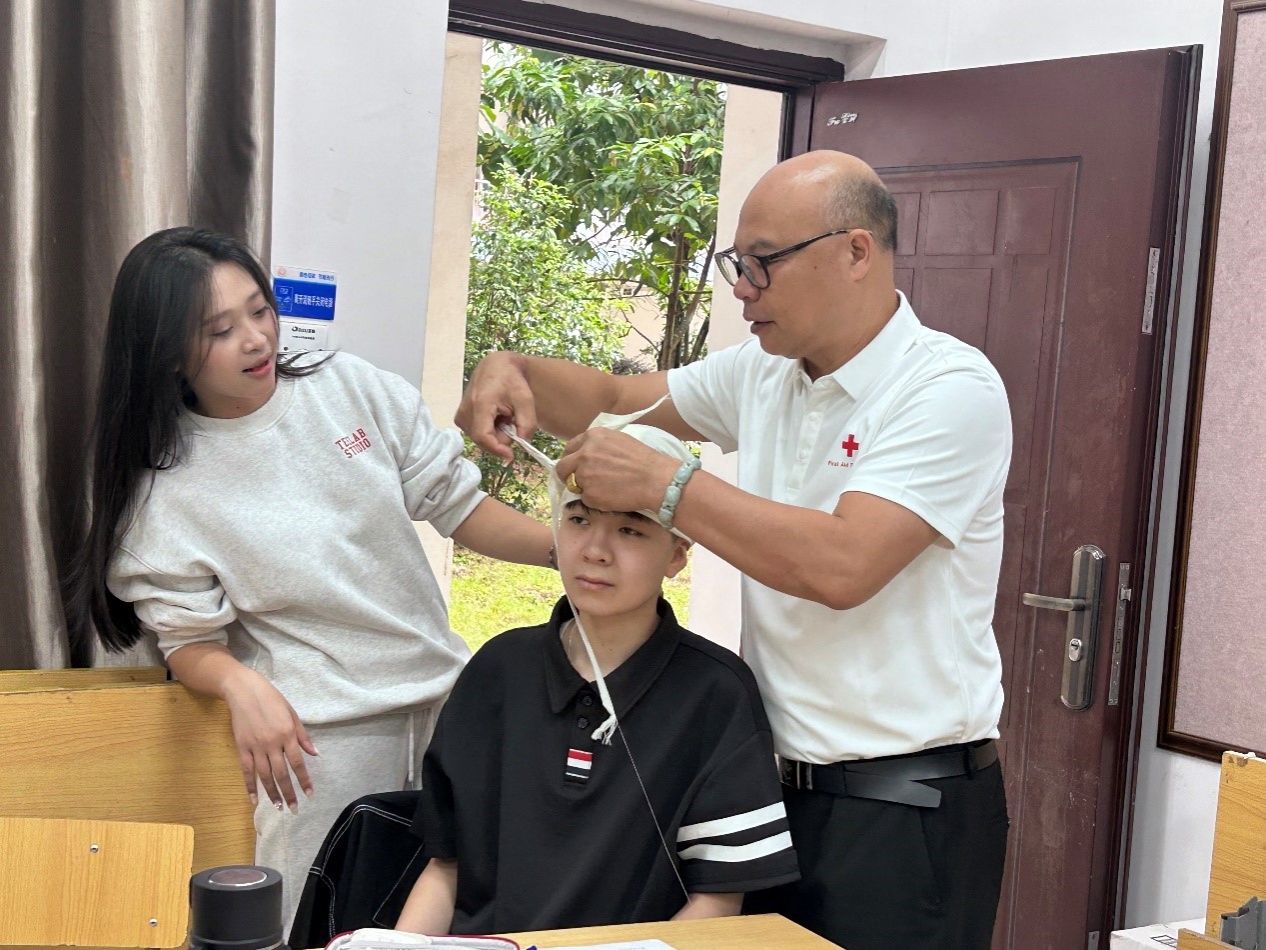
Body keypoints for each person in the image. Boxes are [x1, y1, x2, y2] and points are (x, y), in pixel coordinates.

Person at [455, 150, 1013, 950]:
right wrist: (509, 369)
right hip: (776, 797)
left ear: (856, 251)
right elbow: (614, 399)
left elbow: (844, 565)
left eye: (763, 263)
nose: (744, 290)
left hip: (902, 810)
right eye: (736, 265)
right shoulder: (766, 373)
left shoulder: (948, 389)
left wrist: (666, 485)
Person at [63, 227, 554, 928]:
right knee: (318, 925)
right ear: (167, 352)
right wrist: (241, 685)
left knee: (466, 921)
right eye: (220, 330)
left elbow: (458, 505)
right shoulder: (163, 493)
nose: (257, 339)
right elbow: (188, 640)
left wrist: (566, 552)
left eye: (259, 310)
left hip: (448, 704)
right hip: (318, 742)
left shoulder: (348, 387)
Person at [395, 422, 800, 936]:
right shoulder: (498, 669)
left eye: (631, 530)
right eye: (579, 519)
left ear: (677, 554)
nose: (595, 550)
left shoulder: (716, 691)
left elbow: (718, 901)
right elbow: (446, 868)